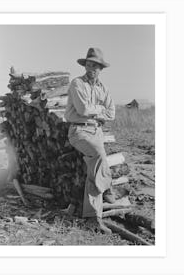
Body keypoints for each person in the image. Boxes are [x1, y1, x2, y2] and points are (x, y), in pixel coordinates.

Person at [65, 48, 116, 234]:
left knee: (94, 168)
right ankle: (107, 187)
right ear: (85, 66)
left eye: (95, 65)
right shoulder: (77, 83)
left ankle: (92, 218)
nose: (91, 68)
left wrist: (98, 110)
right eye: (89, 64)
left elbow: (112, 113)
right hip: (79, 131)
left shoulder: (104, 88)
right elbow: (83, 110)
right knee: (100, 156)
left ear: (101, 68)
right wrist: (99, 109)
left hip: (97, 131)